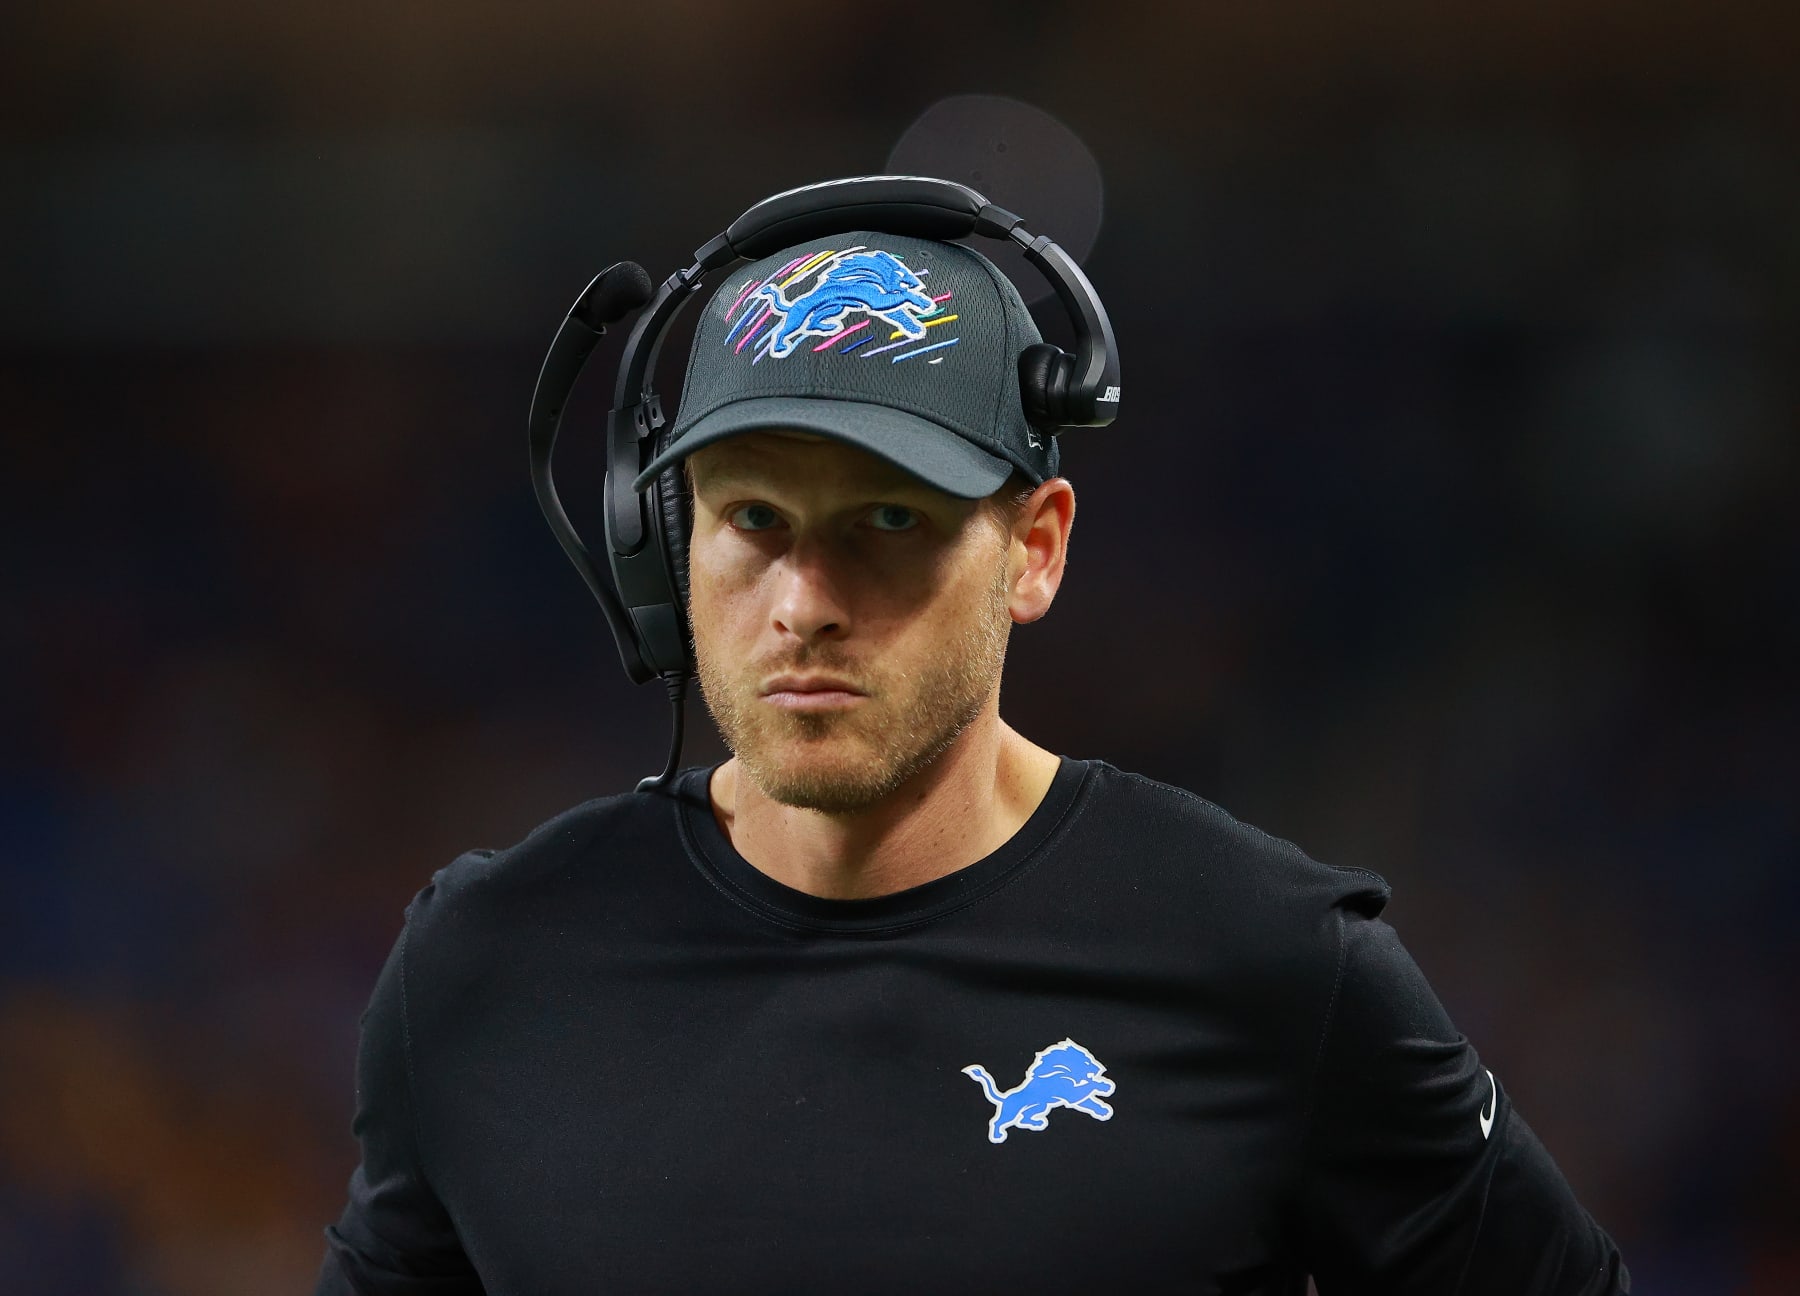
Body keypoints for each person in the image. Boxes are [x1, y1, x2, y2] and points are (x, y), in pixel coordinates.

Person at [316, 227, 1630, 1294]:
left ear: (1036, 546)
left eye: (890, 518)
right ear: (665, 547)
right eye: (753, 519)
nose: (804, 599)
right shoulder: (487, 969)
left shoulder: (1271, 967)